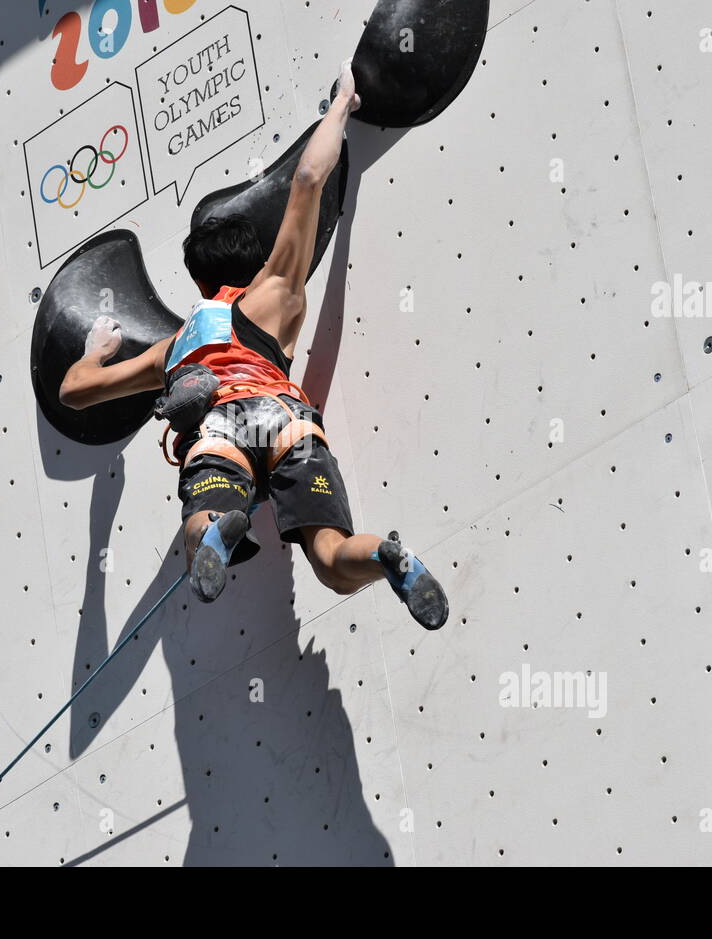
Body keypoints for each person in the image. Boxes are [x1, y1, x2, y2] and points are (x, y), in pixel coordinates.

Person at [58, 62, 448, 630]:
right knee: (332, 560)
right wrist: (343, 103)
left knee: (202, 529)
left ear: (198, 284)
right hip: (286, 418)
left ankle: (214, 531)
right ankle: (387, 560)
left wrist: (96, 347)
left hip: (216, 424)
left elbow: (74, 391)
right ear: (252, 258)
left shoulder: (173, 349)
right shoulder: (273, 293)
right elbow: (309, 181)